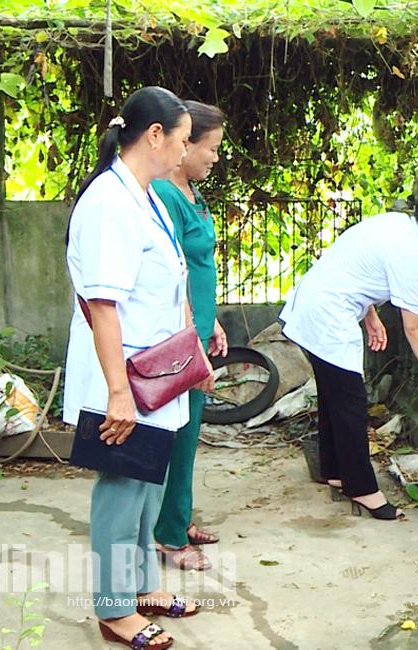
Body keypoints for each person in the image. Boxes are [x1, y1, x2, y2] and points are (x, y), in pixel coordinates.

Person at [64, 86, 209, 649]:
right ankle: (113, 609)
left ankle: (141, 588)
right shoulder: (108, 202)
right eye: (181, 139)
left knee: (150, 486)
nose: (185, 151)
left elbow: (167, 290)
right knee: (122, 489)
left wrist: (192, 361)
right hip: (124, 376)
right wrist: (118, 393)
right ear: (155, 136)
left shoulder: (146, 195)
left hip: (159, 372)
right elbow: (104, 304)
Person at [279, 179, 418, 520]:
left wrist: (370, 314)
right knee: (351, 404)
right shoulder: (410, 254)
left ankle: (335, 470)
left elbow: (357, 267)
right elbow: (414, 327)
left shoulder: (395, 225)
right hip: (328, 314)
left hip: (319, 305)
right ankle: (362, 489)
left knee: (334, 396)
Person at [151, 101, 228, 571]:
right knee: (176, 436)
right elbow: (169, 277)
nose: (216, 157)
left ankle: (177, 521)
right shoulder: (165, 195)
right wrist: (193, 340)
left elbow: (197, 268)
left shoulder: (189, 192)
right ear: (184, 145)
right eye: (211, 148)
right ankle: (167, 537)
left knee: (188, 433)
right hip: (179, 339)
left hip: (196, 329)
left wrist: (212, 321)